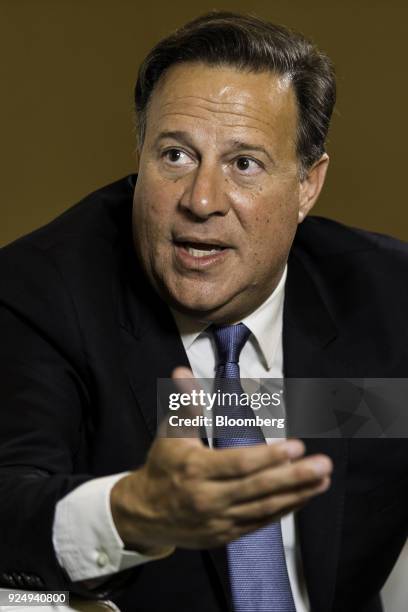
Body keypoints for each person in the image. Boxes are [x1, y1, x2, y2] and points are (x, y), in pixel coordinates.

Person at [0, 11, 407, 612]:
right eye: (176, 156)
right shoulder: (40, 292)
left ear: (307, 186)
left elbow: (359, 415)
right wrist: (133, 512)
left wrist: (224, 401)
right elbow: (11, 506)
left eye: (244, 163)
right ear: (140, 154)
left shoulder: (388, 294)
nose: (202, 200)